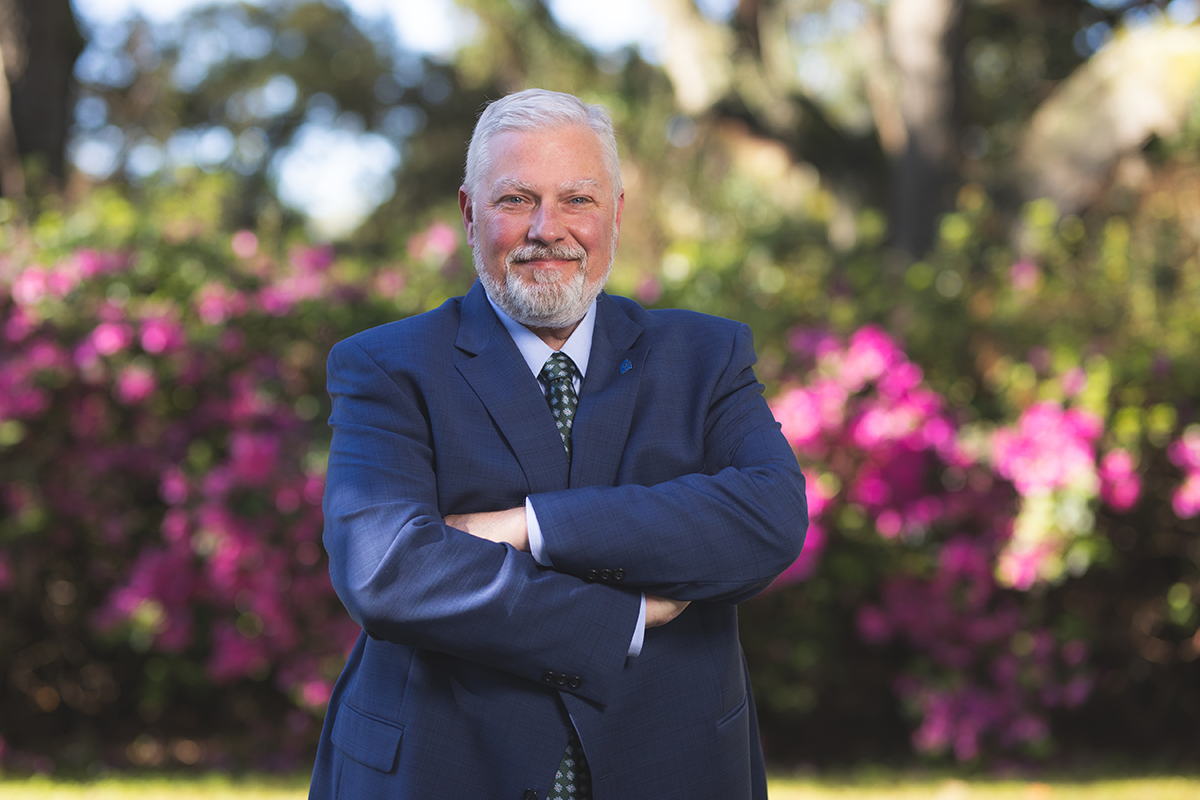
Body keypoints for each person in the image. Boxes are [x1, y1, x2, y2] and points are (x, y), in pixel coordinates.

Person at [309, 88, 808, 800]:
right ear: (468, 212)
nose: (550, 229)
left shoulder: (705, 355)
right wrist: (625, 616)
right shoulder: (387, 366)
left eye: (577, 199)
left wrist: (529, 527)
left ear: (616, 212)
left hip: (670, 761)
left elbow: (768, 518)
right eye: (516, 199)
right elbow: (388, 571)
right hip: (445, 767)